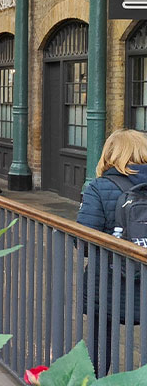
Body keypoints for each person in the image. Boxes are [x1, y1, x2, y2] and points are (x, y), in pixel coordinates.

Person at [77, 129, 147, 374]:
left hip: (108, 283)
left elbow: (85, 240)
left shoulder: (100, 187)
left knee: (99, 344)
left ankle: (96, 379)